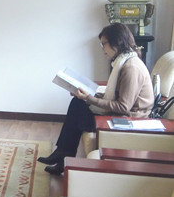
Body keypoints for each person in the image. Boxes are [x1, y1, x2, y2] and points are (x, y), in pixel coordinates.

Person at [39, 23, 155, 175]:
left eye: (104, 44)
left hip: (128, 119)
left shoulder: (131, 68)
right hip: (123, 114)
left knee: (78, 106)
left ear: (117, 42)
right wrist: (90, 95)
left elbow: (123, 107)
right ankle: (62, 155)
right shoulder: (124, 61)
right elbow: (117, 96)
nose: (102, 48)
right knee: (78, 102)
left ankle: (62, 155)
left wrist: (90, 98)